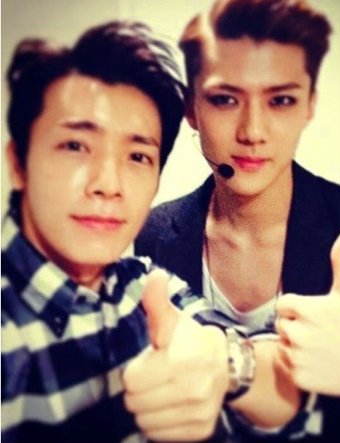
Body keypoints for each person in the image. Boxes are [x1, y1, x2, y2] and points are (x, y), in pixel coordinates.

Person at [135, 0, 340, 442]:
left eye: (280, 100)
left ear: (309, 106)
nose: (253, 131)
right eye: (225, 99)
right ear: (192, 108)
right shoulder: (150, 232)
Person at [1, 20, 300, 443]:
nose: (109, 184)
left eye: (138, 156)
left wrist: (225, 366)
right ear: (18, 163)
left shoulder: (141, 286)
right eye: (75, 146)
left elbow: (280, 386)